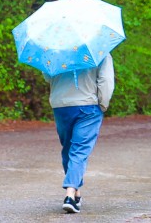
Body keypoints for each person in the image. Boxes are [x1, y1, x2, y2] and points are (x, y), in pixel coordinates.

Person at [48, 54, 114, 214]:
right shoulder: (99, 50)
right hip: (88, 105)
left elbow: (47, 74)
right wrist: (103, 104)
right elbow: (106, 80)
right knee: (79, 150)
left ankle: (76, 192)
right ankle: (70, 195)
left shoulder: (54, 49)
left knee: (68, 149)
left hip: (61, 105)